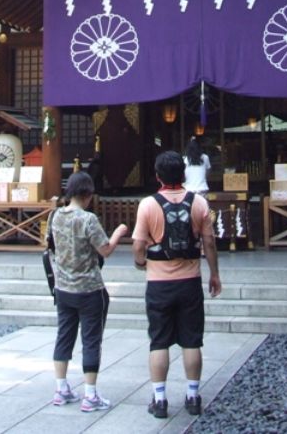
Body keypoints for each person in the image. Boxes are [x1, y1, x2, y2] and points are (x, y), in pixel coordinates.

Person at [132, 150, 221, 419]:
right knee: (191, 340)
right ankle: (193, 396)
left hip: (159, 282)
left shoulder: (148, 204)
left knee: (159, 341)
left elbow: (138, 246)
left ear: (157, 176)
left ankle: (160, 400)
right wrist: (214, 274)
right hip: (190, 281)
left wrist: (141, 262)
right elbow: (209, 243)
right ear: (183, 174)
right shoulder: (199, 204)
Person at [48, 172, 128, 413]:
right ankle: (90, 394)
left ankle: (61, 388)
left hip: (63, 287)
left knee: (64, 336)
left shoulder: (55, 216)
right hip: (89, 288)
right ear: (87, 194)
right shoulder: (88, 219)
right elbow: (105, 250)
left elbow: (50, 245)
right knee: (91, 340)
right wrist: (119, 232)